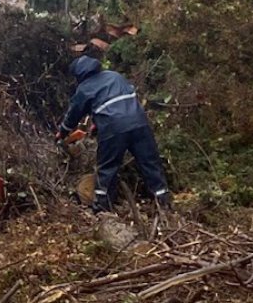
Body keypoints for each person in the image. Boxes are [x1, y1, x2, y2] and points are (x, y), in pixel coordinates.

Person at [59, 55, 172, 212]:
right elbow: (117, 102)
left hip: (113, 129)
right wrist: (98, 123)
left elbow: (74, 114)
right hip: (139, 123)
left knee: (107, 168)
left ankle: (102, 207)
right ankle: (163, 203)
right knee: (150, 163)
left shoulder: (84, 89)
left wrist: (62, 132)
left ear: (78, 75)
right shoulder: (115, 76)